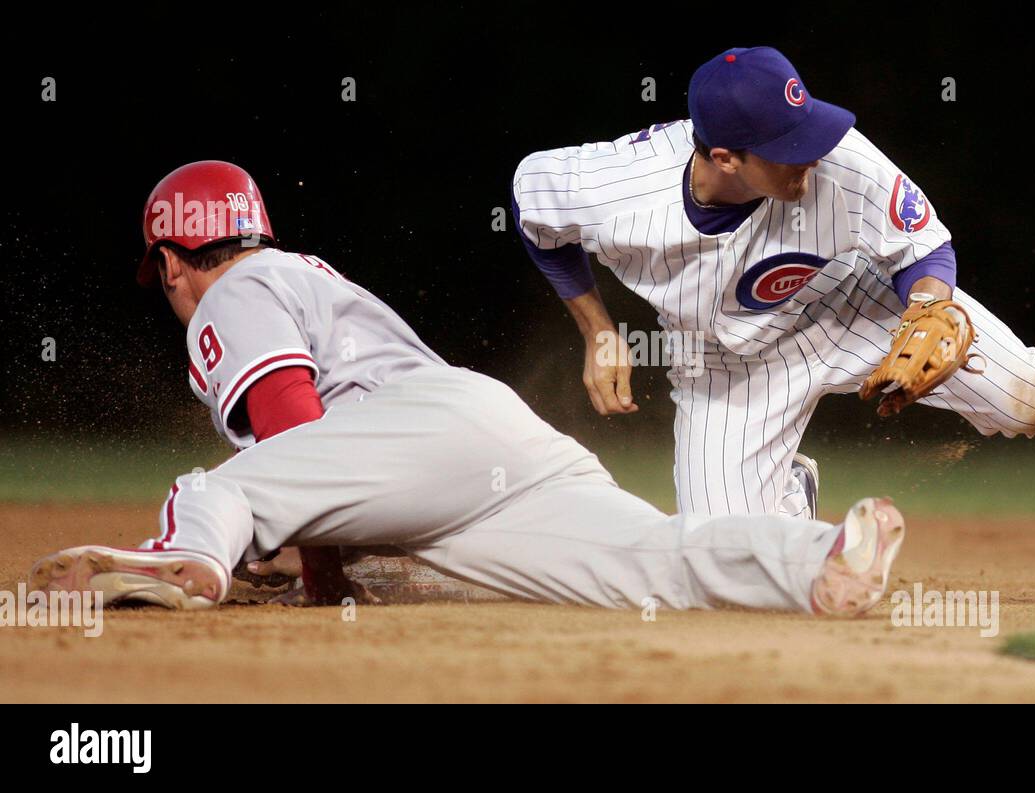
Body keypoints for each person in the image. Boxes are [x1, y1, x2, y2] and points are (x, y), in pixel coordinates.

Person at [28, 160, 905, 618]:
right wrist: (328, 558)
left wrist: (319, 567)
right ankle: (819, 561)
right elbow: (329, 455)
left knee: (222, 487)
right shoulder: (301, 273)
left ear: (176, 258)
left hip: (417, 436)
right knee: (650, 560)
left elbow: (293, 425)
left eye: (166, 272)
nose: (171, 290)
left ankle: (187, 558)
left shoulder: (237, 288)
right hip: (479, 455)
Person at [511, 45, 1035, 528]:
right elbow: (529, 208)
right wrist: (598, 329)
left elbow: (924, 246)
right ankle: (786, 492)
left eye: (807, 129)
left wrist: (927, 307)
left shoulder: (836, 158)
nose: (808, 155)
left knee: (1033, 396)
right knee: (726, 554)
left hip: (856, 306)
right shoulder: (612, 187)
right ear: (722, 157)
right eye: (785, 149)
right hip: (727, 366)